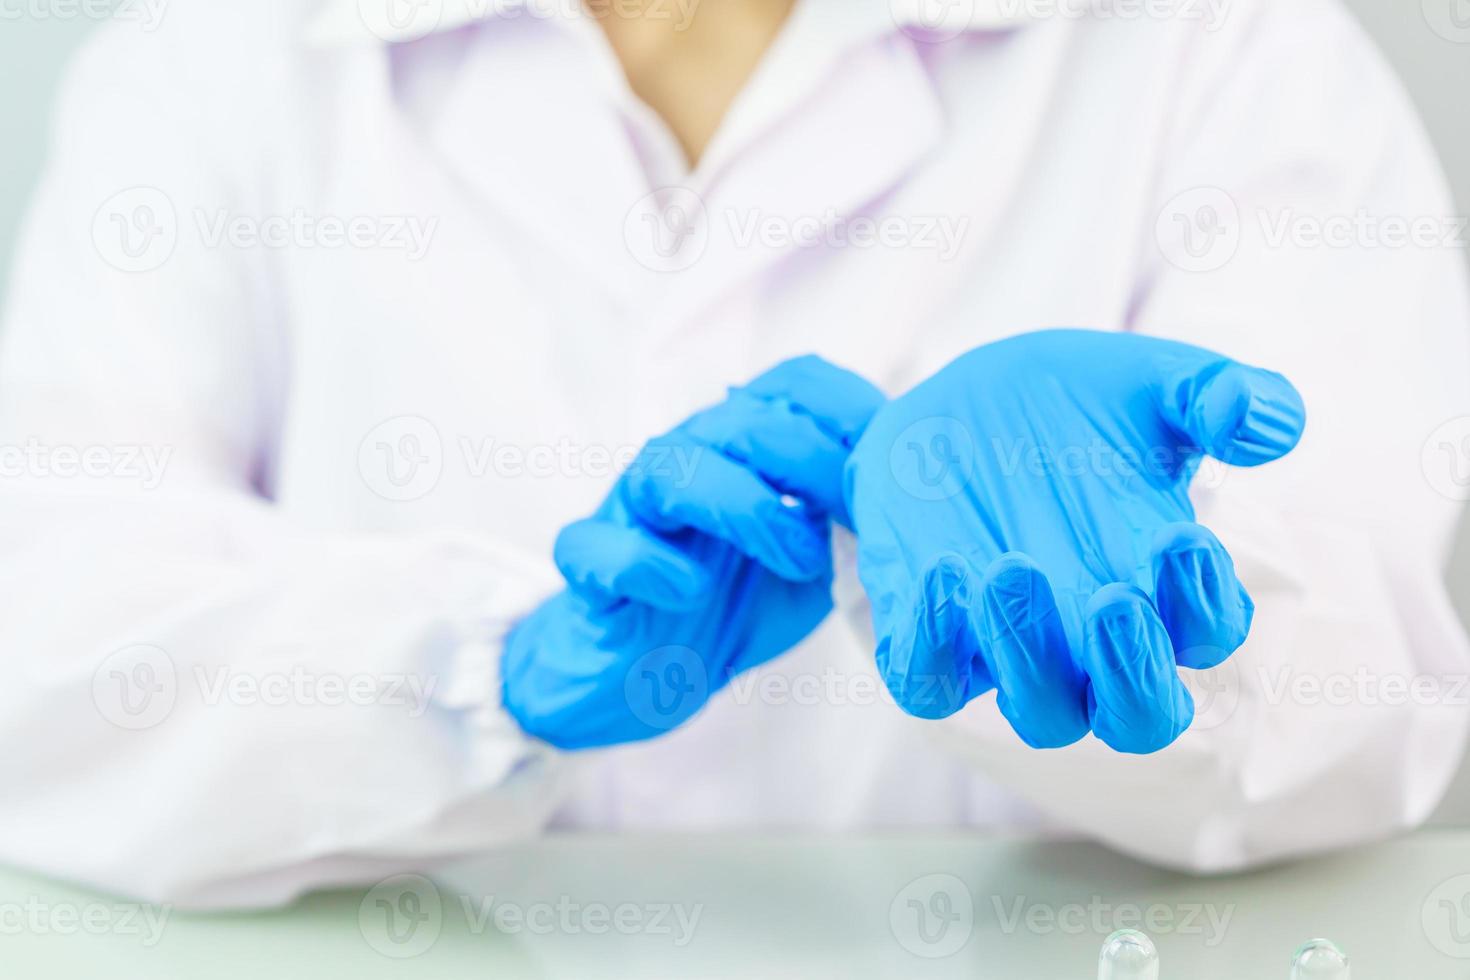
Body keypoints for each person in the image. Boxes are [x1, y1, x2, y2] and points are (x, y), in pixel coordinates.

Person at [0, 0, 1465, 909]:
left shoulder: (1224, 45)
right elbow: (46, 632)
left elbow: (1365, 694)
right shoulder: (214, 58)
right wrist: (484, 674)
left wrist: (1080, 587)